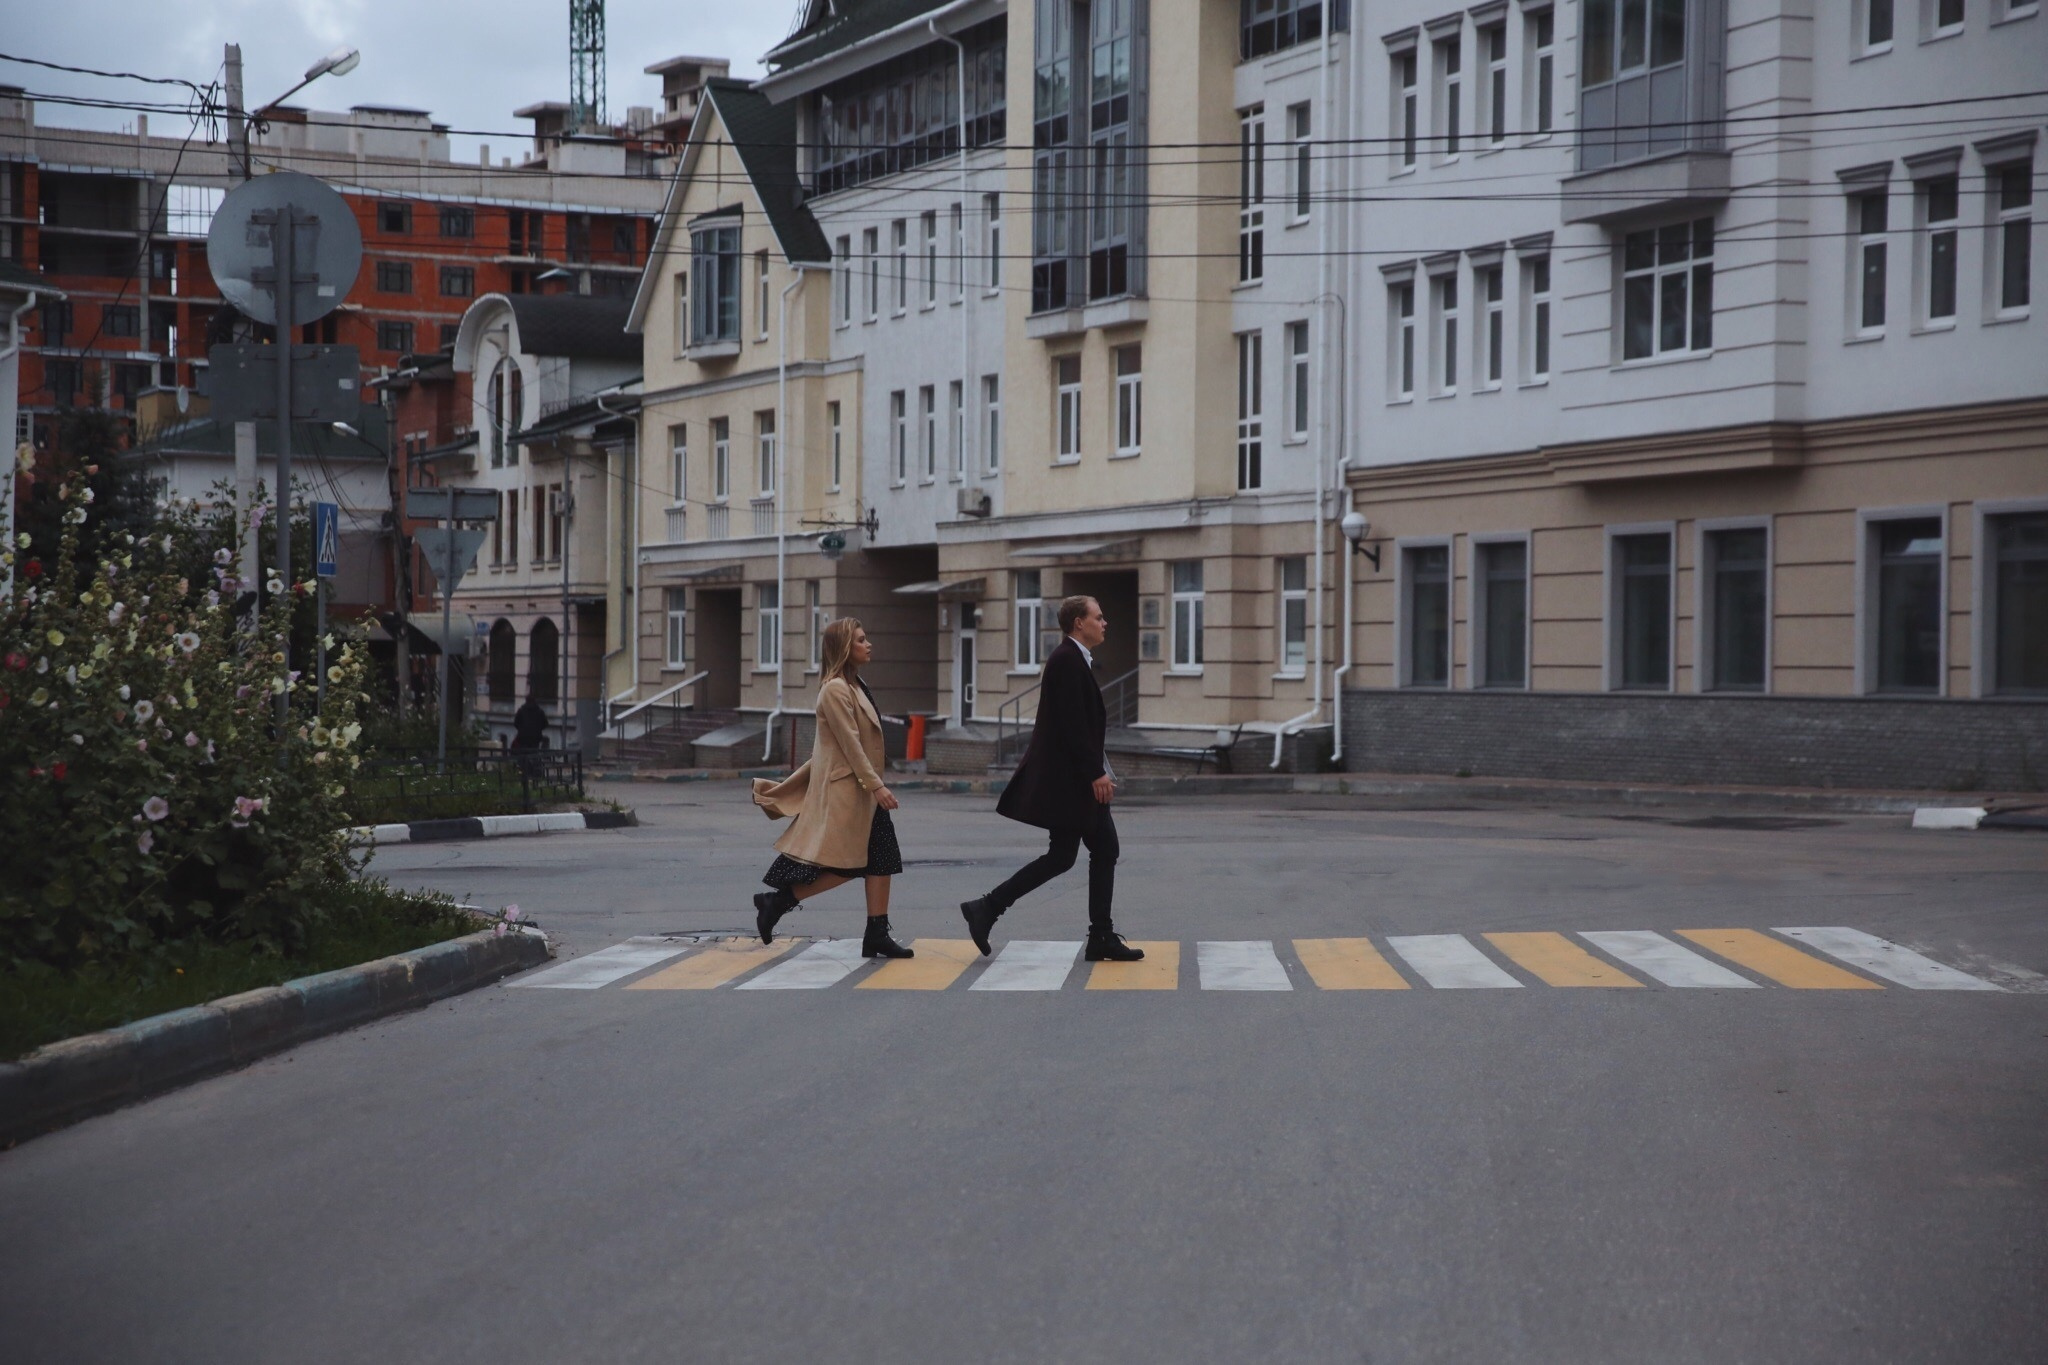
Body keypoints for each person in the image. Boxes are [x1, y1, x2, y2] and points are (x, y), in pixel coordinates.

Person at [960, 595, 1142, 962]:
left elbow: (1079, 726)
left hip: (1074, 781)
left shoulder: (1073, 659)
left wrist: (1096, 770)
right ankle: (1096, 935)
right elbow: (1073, 726)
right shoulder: (1066, 660)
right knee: (1092, 851)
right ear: (1079, 623)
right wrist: (1095, 773)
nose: (1104, 623)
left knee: (1074, 854)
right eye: (1098, 617)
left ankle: (990, 908)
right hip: (1074, 782)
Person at [749, 618, 913, 960]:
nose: (868, 644)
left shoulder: (855, 684)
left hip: (860, 792)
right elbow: (851, 746)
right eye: (861, 640)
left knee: (883, 859)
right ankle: (777, 902)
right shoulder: (835, 690)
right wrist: (877, 786)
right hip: (848, 793)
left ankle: (877, 933)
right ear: (844, 648)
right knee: (847, 865)